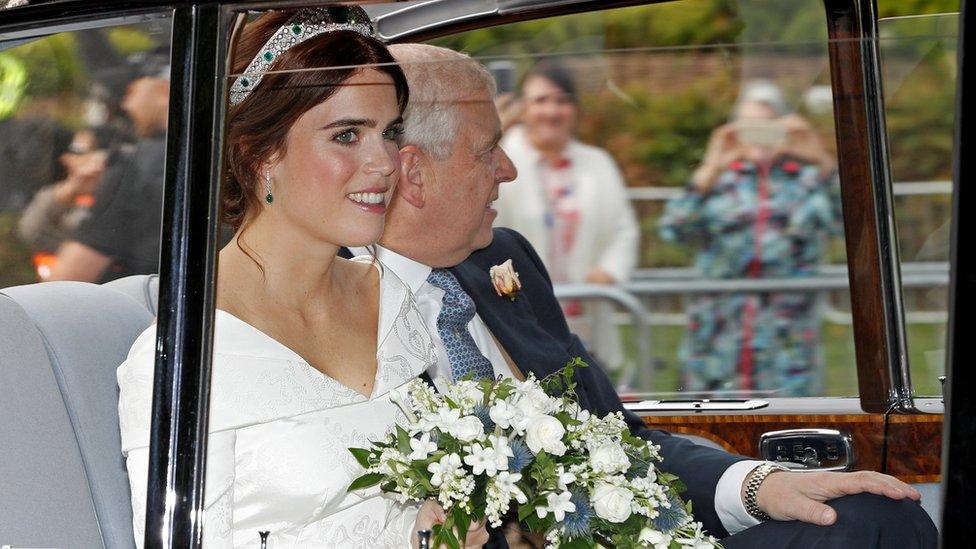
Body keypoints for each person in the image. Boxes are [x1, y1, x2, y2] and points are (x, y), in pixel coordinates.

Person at [356, 43, 935, 548]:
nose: (508, 170)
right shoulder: (322, 307)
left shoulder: (505, 263)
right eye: (488, 150)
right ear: (413, 173)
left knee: (881, 518)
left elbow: (622, 440)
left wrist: (762, 485)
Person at [117, 8, 487, 548]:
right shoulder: (183, 358)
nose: (385, 161)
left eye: (389, 132)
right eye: (346, 136)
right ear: (261, 153)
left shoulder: (391, 299)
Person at [659, 80, 842, 397]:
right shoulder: (720, 179)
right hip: (717, 341)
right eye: (749, 125)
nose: (759, 134)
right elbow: (673, 229)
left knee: (791, 435)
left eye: (768, 125)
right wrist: (709, 167)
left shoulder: (808, 180)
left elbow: (855, 227)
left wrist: (822, 160)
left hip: (787, 345)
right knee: (712, 436)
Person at [493, 61, 639, 373]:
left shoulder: (597, 162)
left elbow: (623, 230)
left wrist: (608, 271)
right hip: (520, 314)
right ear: (522, 107)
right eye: (541, 101)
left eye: (561, 100)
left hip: (585, 314)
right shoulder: (500, 159)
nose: (552, 111)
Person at [47, 63, 170, 283]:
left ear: (164, 91)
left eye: (132, 92)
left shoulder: (135, 166)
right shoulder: (225, 154)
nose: (125, 104)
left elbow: (67, 279)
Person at [17, 129, 107, 279]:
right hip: (62, 286)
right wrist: (70, 190)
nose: (92, 158)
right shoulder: (52, 197)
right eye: (77, 150)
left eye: (97, 152)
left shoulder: (119, 196)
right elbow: (30, 233)